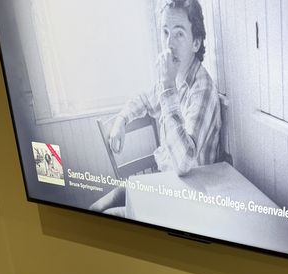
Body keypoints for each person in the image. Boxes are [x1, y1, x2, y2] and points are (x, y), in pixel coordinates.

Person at [90, 0, 221, 216]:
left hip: (188, 198)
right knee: (95, 209)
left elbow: (184, 162)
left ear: (196, 43)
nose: (169, 44)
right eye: (165, 32)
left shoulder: (202, 88)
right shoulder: (175, 75)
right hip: (164, 183)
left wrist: (168, 87)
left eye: (179, 34)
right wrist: (122, 119)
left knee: (103, 218)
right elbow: (144, 99)